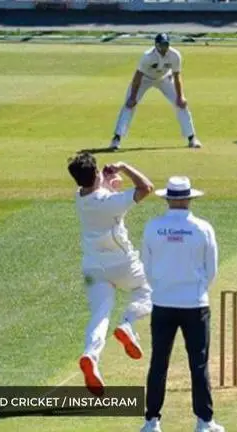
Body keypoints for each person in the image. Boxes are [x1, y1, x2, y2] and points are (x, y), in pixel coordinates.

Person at [139, 176, 224, 432]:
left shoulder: (153, 227)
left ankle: (152, 421)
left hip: (163, 302)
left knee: (158, 362)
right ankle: (204, 422)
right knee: (198, 363)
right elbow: (212, 270)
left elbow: (147, 266)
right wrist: (195, 289)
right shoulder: (202, 228)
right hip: (195, 304)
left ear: (168, 199)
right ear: (188, 199)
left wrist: (163, 287)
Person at [67, 152, 155, 396]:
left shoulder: (80, 197)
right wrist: (123, 167)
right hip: (122, 263)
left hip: (93, 267)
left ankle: (90, 355)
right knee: (148, 292)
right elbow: (146, 187)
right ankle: (127, 324)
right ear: (95, 174)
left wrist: (107, 182)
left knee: (99, 315)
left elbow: (97, 192)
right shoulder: (109, 202)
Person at [110, 33, 202, 151]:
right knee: (129, 105)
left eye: (166, 45)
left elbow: (177, 75)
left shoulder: (175, 55)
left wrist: (181, 96)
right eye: (161, 45)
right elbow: (138, 76)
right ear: (156, 45)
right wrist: (133, 97)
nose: (164, 48)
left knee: (181, 104)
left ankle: (192, 138)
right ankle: (116, 139)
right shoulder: (147, 56)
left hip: (164, 79)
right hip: (145, 79)